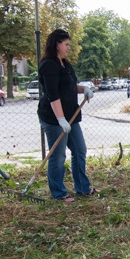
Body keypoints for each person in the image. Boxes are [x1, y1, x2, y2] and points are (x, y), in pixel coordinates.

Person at [38, 28, 97, 202]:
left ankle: (82, 188)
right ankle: (58, 193)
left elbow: (70, 86)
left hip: (71, 116)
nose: (68, 48)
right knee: (58, 155)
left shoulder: (65, 64)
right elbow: (52, 94)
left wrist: (84, 89)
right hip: (54, 118)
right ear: (57, 44)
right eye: (66, 44)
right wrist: (60, 119)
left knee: (80, 150)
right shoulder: (49, 65)